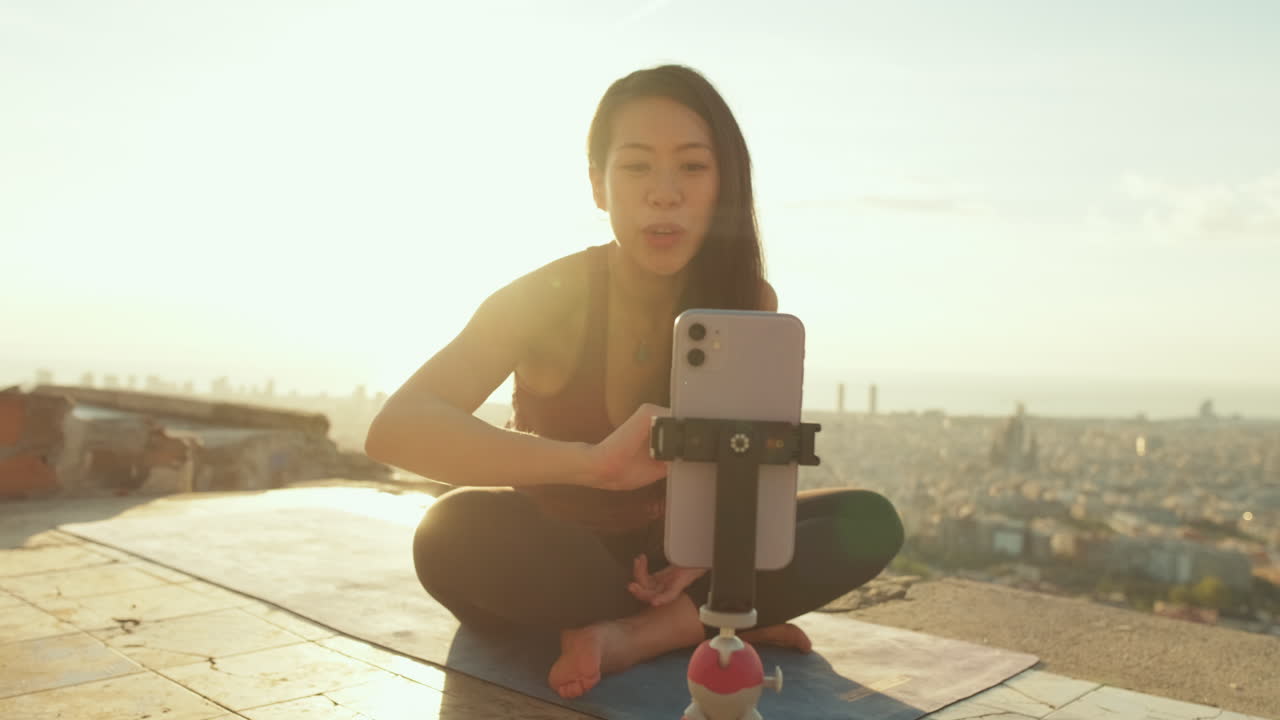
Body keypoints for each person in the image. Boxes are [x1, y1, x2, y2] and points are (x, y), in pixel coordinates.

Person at [365, 64, 904, 700]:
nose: (664, 194)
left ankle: (639, 633)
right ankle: (712, 619)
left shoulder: (745, 301)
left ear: (724, 184)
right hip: (562, 555)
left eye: (693, 167)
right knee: (450, 533)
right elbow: (396, 428)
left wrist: (704, 555)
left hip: (681, 564)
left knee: (869, 521)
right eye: (637, 166)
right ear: (599, 184)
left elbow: (748, 461)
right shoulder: (547, 296)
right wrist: (592, 465)